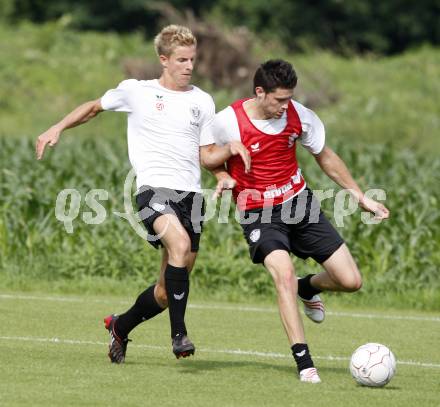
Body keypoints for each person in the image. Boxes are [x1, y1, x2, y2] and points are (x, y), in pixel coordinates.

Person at [35, 25, 249, 363]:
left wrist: (222, 173)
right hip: (153, 190)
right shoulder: (137, 92)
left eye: (192, 59)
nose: (189, 66)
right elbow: (93, 107)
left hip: (191, 196)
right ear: (164, 60)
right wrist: (57, 127)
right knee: (178, 245)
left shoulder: (202, 101)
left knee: (166, 292)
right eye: (181, 60)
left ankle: (120, 326)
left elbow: (206, 154)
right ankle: (179, 336)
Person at [209, 59, 390, 383]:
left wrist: (360, 196)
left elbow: (326, 157)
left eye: (289, 98)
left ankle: (306, 288)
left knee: (350, 281)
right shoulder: (228, 121)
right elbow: (206, 153)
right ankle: (304, 363)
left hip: (300, 204)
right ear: (260, 92)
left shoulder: (300, 116)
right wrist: (222, 175)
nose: (285, 105)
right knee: (283, 274)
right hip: (258, 212)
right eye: (279, 99)